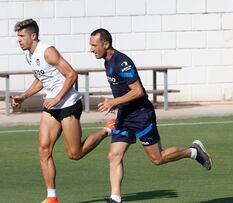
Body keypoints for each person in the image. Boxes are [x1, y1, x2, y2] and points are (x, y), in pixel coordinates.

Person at [89, 28, 213, 203]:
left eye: (94, 45)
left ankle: (193, 152)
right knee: (114, 155)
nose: (91, 49)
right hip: (125, 116)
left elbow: (138, 91)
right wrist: (117, 105)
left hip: (141, 116)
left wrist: (113, 102)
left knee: (158, 158)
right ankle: (115, 198)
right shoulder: (107, 62)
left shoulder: (122, 62)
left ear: (106, 44)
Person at [11, 19, 115, 203]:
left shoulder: (48, 52)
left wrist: (57, 98)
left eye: (21, 36)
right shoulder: (29, 55)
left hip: (68, 105)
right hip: (51, 107)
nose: (18, 40)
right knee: (44, 150)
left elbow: (71, 75)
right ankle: (52, 197)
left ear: (33, 36)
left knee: (75, 154)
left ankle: (107, 130)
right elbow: (40, 79)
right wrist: (24, 96)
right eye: (17, 36)